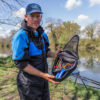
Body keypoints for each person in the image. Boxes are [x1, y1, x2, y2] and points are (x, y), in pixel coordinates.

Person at [11, 3, 61, 100]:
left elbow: (46, 51)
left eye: (38, 16)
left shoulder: (42, 35)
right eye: (32, 16)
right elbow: (21, 64)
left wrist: (55, 54)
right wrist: (43, 75)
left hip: (43, 82)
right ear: (26, 17)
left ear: (41, 17)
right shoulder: (20, 36)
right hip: (28, 85)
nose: (35, 19)